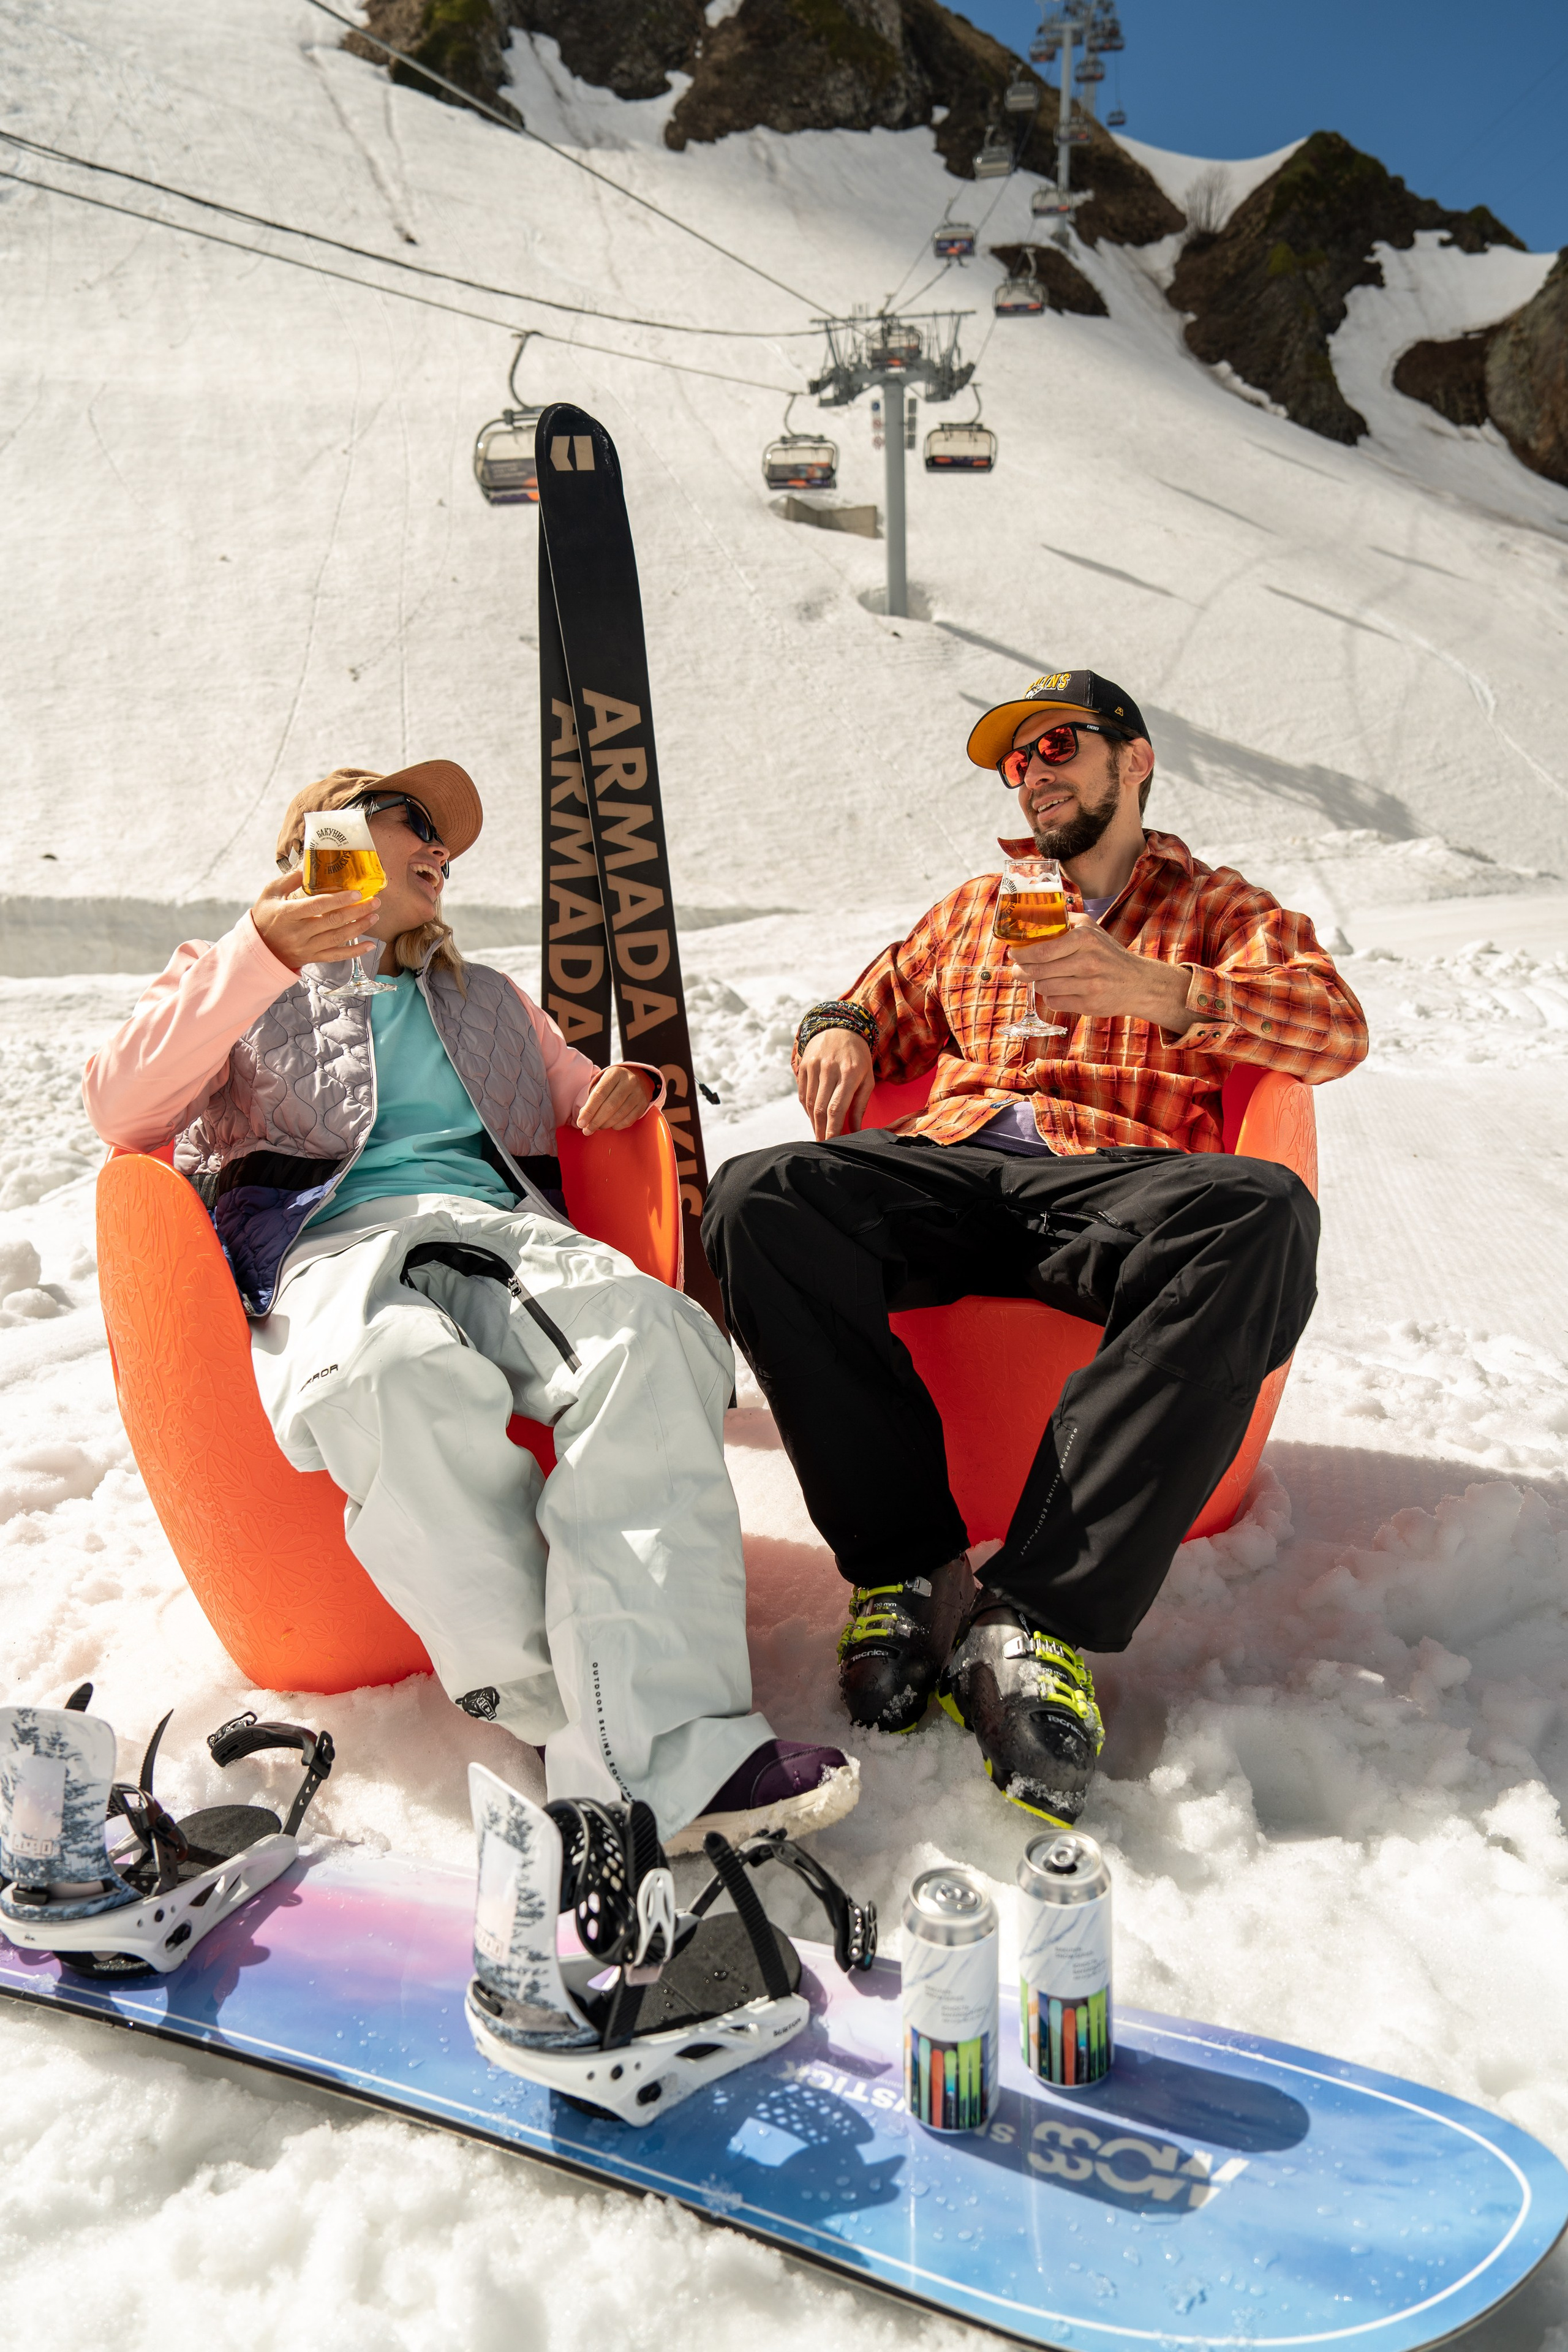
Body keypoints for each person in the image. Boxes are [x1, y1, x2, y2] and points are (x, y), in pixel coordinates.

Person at [83, 760, 856, 1852]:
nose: (440, 846)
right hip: (329, 1244)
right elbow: (121, 1106)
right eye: (412, 823)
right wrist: (263, 952)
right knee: (386, 1378)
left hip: (504, 1234)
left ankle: (674, 1755)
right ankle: (559, 1707)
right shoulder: (233, 977)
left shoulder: (488, 998)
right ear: (327, 838)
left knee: (653, 1335)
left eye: (445, 837)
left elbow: (577, 1094)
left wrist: (609, 1096)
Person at [702, 673, 1368, 1830]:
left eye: (1061, 744)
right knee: (762, 1195)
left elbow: (1335, 1027)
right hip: (959, 1166)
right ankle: (906, 1568)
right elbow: (867, 1002)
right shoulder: (976, 908)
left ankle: (1036, 1614)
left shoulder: (1217, 905)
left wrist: (1160, 991)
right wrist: (836, 1032)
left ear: (1137, 761)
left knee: (1262, 1213)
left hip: (1121, 1175)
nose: (1037, 771)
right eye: (1018, 761)